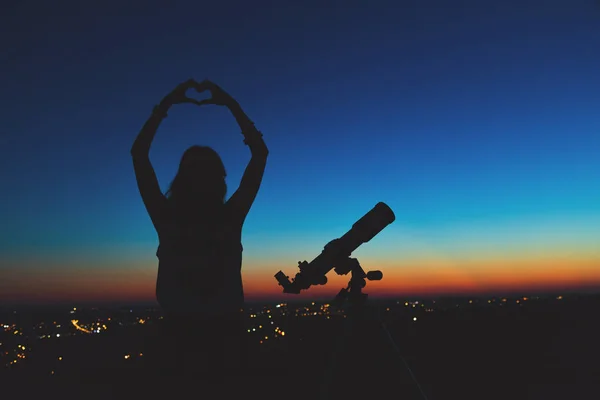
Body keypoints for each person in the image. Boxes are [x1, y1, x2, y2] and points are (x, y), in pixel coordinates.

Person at [130, 78, 268, 380]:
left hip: (181, 346)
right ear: (220, 180)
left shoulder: (168, 218)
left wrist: (167, 104)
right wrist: (230, 104)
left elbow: (139, 156)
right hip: (222, 346)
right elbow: (259, 155)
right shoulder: (230, 217)